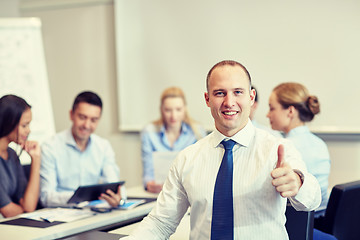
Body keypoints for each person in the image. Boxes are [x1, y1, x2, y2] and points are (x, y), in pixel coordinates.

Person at [124, 60, 321, 239]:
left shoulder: (277, 148)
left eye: (238, 92)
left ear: (251, 98)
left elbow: (313, 199)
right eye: (220, 93)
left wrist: (298, 181)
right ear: (207, 99)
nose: (229, 102)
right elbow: (161, 222)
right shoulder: (187, 158)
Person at [40, 91, 122, 207]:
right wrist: (81, 196)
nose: (87, 125)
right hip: (62, 214)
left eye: (93, 120)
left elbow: (114, 184)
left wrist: (117, 196)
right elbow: (46, 197)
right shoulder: (50, 147)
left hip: (93, 213)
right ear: (71, 115)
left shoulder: (103, 146)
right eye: (82, 117)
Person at [266, 82, 331, 216]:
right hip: (321, 218)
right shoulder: (320, 143)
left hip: (300, 224)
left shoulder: (285, 149)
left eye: (272, 108)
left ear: (290, 111)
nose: (267, 115)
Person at [141, 86, 207, 193]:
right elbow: (148, 172)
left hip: (188, 191)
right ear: (161, 110)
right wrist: (150, 184)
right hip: (159, 192)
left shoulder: (197, 132)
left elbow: (202, 169)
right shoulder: (149, 132)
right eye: (168, 110)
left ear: (185, 109)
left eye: (178, 109)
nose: (173, 115)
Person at [0, 95, 41, 218]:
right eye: (24, 125)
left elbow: (29, 206)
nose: (28, 131)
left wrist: (36, 159)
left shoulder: (12, 154)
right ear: (9, 123)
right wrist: (23, 210)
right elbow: (8, 211)